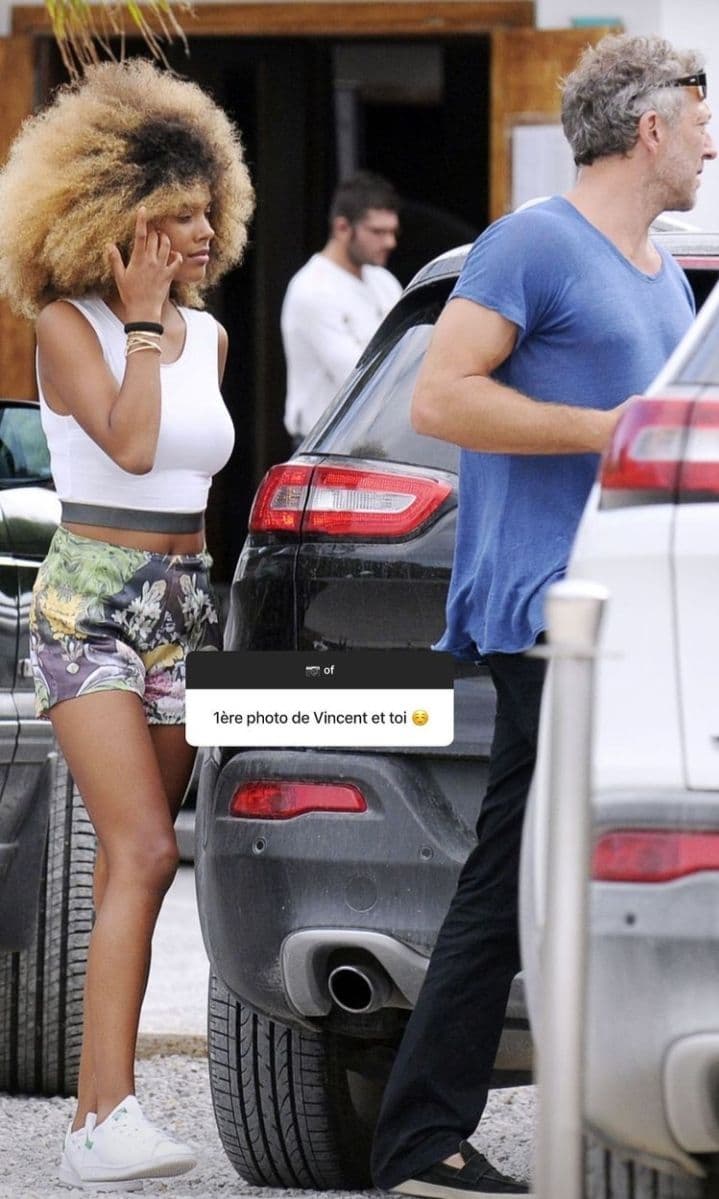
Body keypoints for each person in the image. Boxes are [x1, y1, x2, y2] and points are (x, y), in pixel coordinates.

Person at [370, 32, 715, 1199]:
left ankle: (435, 1133)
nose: (710, 143)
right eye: (699, 119)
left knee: (532, 868)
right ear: (647, 127)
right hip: (542, 610)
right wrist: (607, 429)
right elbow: (440, 397)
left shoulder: (660, 275)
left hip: (625, 612)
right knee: (515, 868)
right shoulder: (531, 243)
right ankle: (421, 1137)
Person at [0, 59, 254, 1191]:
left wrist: (168, 323)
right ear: (114, 218)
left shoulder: (215, 339)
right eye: (175, 216)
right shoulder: (68, 327)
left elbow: (196, 477)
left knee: (130, 867)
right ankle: (103, 1114)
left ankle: (102, 1116)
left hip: (184, 603)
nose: (198, 233)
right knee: (149, 848)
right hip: (89, 603)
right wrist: (142, 324)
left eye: (207, 212)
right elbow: (134, 445)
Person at [281, 170, 402, 444]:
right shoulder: (312, 288)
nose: (390, 242)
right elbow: (359, 378)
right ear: (342, 228)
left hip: (379, 441)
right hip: (324, 444)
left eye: (392, 232)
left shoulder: (384, 281)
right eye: (378, 232)